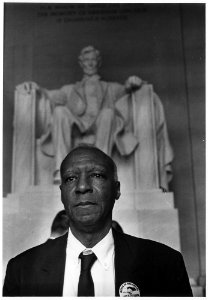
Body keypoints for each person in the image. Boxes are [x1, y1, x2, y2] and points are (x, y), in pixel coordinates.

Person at [3, 144, 192, 296]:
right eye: (70, 178)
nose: (82, 186)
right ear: (62, 194)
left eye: (97, 175)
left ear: (117, 189)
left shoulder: (165, 265)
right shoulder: (21, 271)